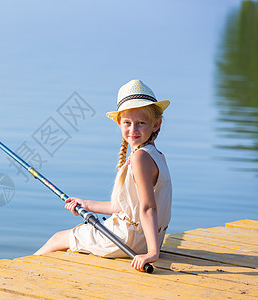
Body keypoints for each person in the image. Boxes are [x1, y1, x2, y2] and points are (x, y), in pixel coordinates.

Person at [34, 79, 172, 272]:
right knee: (70, 239)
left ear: (155, 124)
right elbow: (121, 207)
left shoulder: (140, 159)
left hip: (129, 240)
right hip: (145, 239)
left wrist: (152, 253)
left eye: (141, 123)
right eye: (127, 123)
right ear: (119, 123)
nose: (133, 130)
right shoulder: (156, 156)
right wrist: (85, 204)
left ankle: (22, 273)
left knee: (58, 238)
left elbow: (149, 208)